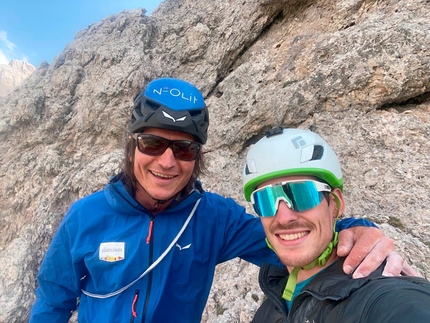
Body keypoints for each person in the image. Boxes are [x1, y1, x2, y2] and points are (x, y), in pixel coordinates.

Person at [30, 78, 410, 323]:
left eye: (184, 149)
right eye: (152, 143)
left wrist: (355, 231)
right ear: (132, 147)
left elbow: (289, 235)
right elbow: (52, 303)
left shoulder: (212, 217)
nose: (166, 161)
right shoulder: (85, 216)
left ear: (198, 158)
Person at [243, 127, 430, 322]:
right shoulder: (269, 309)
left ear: (335, 204)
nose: (283, 217)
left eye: (301, 194)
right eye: (265, 200)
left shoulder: (383, 298)